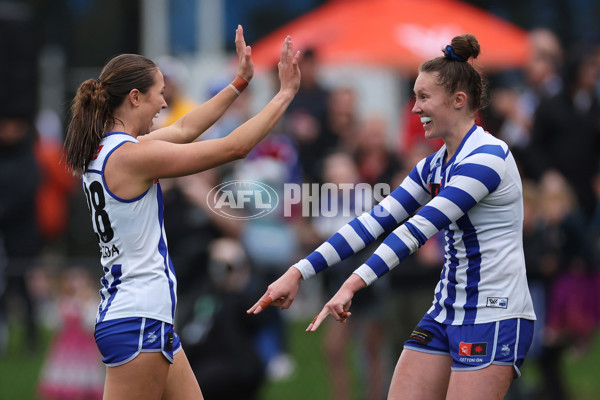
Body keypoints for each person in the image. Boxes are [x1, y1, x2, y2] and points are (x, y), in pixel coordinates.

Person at [249, 34, 536, 400]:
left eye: (424, 97)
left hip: (493, 314)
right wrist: (296, 273)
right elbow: (373, 222)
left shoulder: (488, 157)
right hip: (447, 310)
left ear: (458, 101)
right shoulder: (433, 165)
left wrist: (352, 284)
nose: (414, 109)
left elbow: (416, 229)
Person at [63, 25, 300, 400]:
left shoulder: (111, 149)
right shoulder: (132, 156)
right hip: (138, 317)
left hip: (143, 317)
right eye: (159, 95)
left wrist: (239, 82)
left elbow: (187, 128)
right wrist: (284, 95)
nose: (164, 104)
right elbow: (233, 148)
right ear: (136, 97)